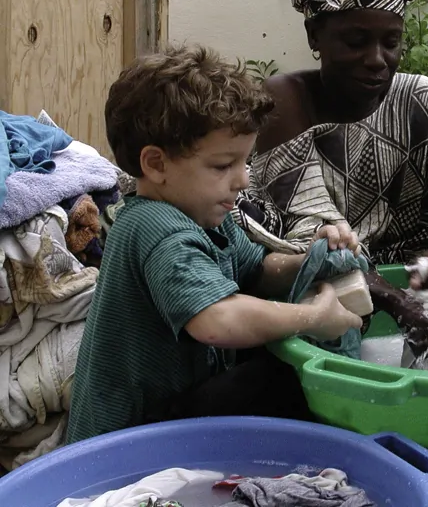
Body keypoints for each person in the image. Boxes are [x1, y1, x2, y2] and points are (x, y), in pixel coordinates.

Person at [67, 46, 363, 443]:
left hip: (168, 411)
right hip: (123, 445)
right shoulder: (157, 228)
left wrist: (310, 258)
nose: (242, 180)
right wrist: (312, 317)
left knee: (268, 356)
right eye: (223, 166)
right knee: (275, 379)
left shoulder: (203, 215)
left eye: (245, 162)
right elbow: (217, 320)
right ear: (156, 165)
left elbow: (258, 270)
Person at [237, 0, 428, 353]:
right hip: (323, 303)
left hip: (409, 283)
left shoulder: (418, 99)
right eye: (355, 42)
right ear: (315, 36)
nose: (377, 60)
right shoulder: (284, 101)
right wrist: (398, 302)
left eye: (391, 42)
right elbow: (315, 239)